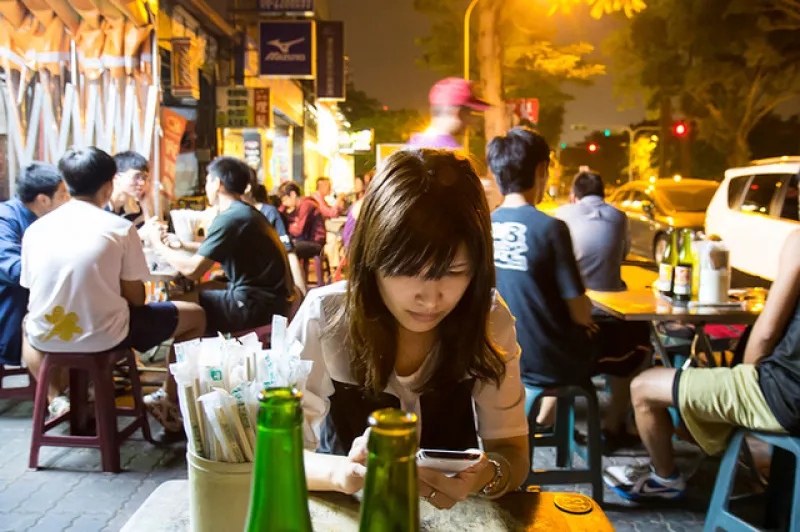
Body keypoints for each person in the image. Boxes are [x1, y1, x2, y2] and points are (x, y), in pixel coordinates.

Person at [288, 149, 529, 509]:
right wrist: (344, 474)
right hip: (353, 514)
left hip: (455, 516)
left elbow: (513, 454)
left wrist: (487, 476)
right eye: (406, 269)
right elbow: (279, 454)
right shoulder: (324, 317)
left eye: (454, 271)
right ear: (372, 258)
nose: (431, 299)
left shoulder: (488, 319)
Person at [604, 230, 800, 500]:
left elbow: (766, 332)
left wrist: (744, 378)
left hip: (785, 396)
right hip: (790, 395)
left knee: (643, 387)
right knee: (703, 381)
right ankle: (702, 434)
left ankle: (665, 478)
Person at [20, 147, 206, 427]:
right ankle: (165, 398)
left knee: (28, 323)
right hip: (107, 337)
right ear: (109, 186)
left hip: (47, 337)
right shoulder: (119, 228)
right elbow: (137, 298)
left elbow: (31, 286)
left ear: (66, 185)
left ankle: (56, 399)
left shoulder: (35, 229)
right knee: (196, 316)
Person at [488, 127, 605, 431]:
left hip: (496, 357)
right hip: (546, 363)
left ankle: (542, 417)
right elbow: (580, 312)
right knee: (631, 341)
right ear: (541, 170)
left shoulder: (485, 225)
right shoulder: (550, 228)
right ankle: (616, 426)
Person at [556, 171, 650, 451]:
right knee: (641, 345)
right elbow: (621, 255)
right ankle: (614, 423)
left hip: (569, 326)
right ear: (604, 194)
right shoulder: (619, 216)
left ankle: (561, 421)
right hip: (607, 323)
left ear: (574, 196)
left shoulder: (562, 214)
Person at [149, 156, 293, 334]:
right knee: (206, 288)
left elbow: (193, 270)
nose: (205, 187)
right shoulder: (244, 212)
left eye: (207, 180)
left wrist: (157, 244)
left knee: (181, 305)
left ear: (217, 183)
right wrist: (181, 245)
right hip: (274, 302)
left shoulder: (229, 218)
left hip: (257, 306)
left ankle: (188, 355)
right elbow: (218, 248)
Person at [0, 163, 69, 367]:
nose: (68, 200)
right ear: (43, 200)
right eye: (63, 194)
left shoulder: (52, 219)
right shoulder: (6, 218)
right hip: (11, 300)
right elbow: (12, 269)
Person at [407, 78, 489, 150]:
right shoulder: (452, 154)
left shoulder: (412, 145)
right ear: (457, 113)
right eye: (469, 112)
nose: (470, 121)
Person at [278, 181, 327, 260]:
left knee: (287, 248)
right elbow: (279, 213)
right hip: (305, 240)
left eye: (285, 200)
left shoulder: (307, 204)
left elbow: (298, 231)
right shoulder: (299, 206)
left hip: (315, 243)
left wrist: (286, 224)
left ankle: (295, 272)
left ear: (293, 194)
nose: (284, 203)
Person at [108, 151, 151, 229]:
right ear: (116, 177)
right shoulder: (100, 207)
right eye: (137, 176)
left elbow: (149, 229)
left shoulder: (130, 211)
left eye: (145, 178)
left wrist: (145, 205)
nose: (142, 183)